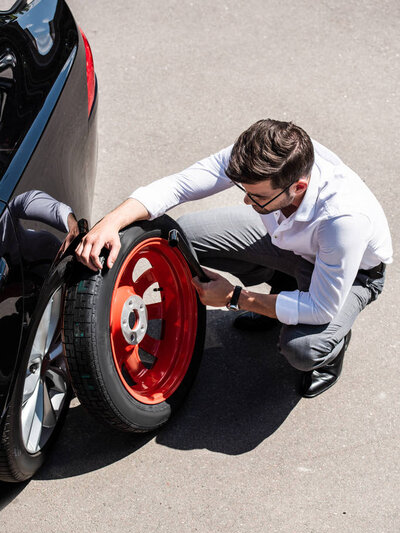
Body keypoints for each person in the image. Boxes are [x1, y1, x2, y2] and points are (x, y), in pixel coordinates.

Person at [75, 119, 393, 397]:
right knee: (185, 237)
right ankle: (282, 289)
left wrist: (235, 297)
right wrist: (112, 221)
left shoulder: (343, 219)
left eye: (257, 196)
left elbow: (320, 306)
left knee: (302, 347)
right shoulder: (265, 153)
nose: (245, 199)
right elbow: (180, 185)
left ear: (298, 187)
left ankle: (334, 344)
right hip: (291, 242)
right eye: (244, 188)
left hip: (354, 275)